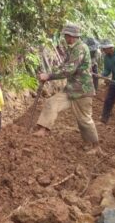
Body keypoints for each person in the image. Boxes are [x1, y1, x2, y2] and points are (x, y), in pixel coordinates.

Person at [33, 23, 101, 153]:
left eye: (66, 35)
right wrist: (49, 73)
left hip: (82, 90)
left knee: (84, 119)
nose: (64, 37)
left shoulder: (80, 48)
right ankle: (43, 129)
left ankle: (95, 146)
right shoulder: (72, 48)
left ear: (71, 36)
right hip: (71, 89)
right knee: (52, 102)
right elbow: (64, 65)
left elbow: (69, 70)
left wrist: (49, 76)